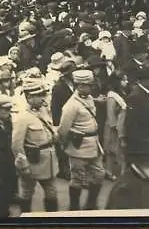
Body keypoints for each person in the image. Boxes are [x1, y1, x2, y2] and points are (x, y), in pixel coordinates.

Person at [105, 66, 149, 210]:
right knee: (137, 175)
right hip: (141, 145)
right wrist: (133, 143)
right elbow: (132, 124)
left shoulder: (148, 94)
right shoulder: (136, 96)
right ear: (143, 80)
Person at [57, 69, 105, 211]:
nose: (92, 87)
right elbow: (63, 129)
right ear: (80, 86)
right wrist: (66, 146)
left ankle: (91, 204)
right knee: (77, 179)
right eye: (89, 85)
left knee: (99, 174)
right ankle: (74, 207)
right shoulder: (71, 105)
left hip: (93, 144)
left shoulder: (89, 98)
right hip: (79, 146)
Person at [12, 79, 59, 213]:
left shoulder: (44, 111)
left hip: (48, 160)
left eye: (42, 95)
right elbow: (16, 145)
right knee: (27, 192)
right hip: (32, 162)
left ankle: (52, 221)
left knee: (52, 192)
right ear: (28, 97)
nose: (41, 98)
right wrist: (23, 165)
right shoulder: (23, 117)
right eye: (38, 95)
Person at [103, 71, 128, 181]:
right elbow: (110, 114)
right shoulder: (112, 95)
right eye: (123, 80)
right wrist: (114, 128)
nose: (126, 82)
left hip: (120, 124)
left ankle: (120, 173)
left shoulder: (121, 93)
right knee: (111, 150)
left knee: (119, 150)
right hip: (113, 127)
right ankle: (109, 172)